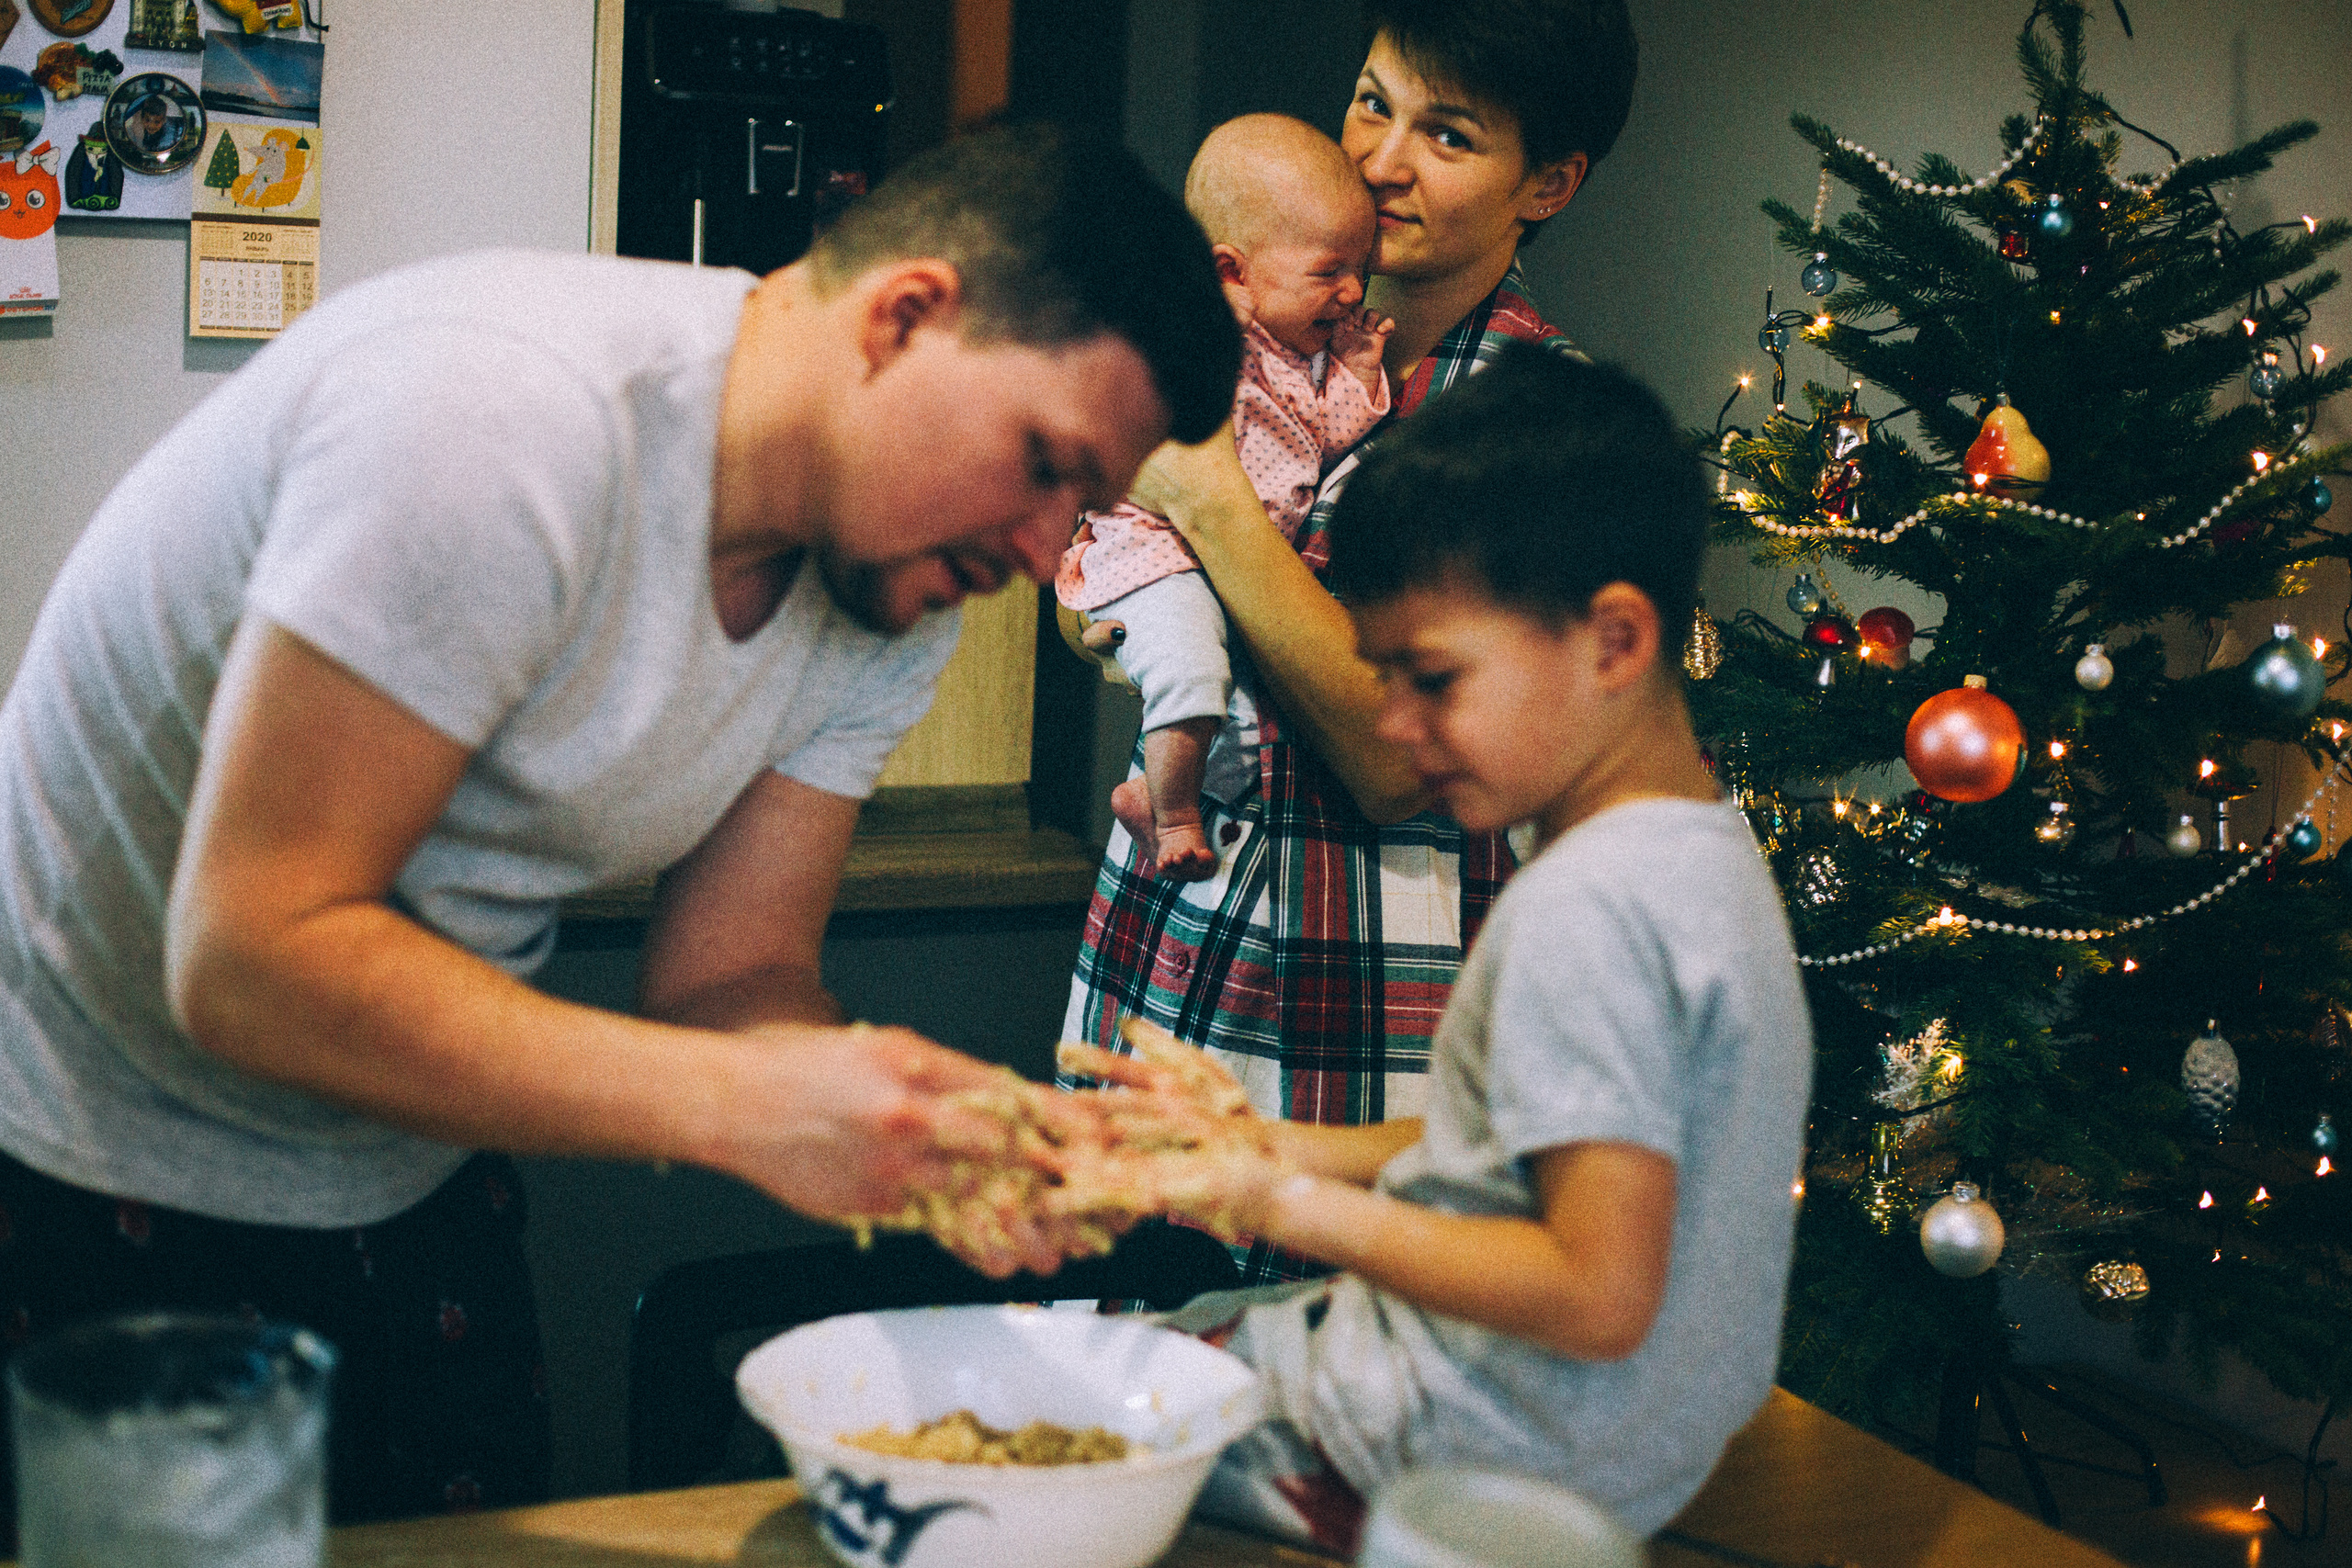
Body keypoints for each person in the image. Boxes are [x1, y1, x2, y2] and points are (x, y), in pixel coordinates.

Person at [0, 122, 1238, 1528]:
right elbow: (247, 958)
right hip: (80, 1146)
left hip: (420, 1147)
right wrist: (752, 1107)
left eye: (1084, 504)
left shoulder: (889, 589)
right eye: (1043, 463)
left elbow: (729, 975)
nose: (1040, 552)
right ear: (903, 316)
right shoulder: (500, 420)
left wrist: (906, 1125)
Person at [1093, 345, 1813, 1553]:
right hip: (1626, 1447)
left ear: (1617, 640)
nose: (1392, 722)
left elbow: (1593, 1289)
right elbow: (1530, 1141)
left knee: (1076, 1382)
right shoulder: (1701, 851)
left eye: (1432, 677)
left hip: (1446, 1442)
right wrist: (1273, 1140)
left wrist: (1274, 1195)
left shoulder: (1587, 910)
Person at [1062, 0, 1637, 1283]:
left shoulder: (1535, 422)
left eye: (1447, 134)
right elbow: (1091, 566)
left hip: (1347, 1011)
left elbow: (1398, 756)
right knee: (1122, 1382)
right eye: (1373, 101)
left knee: (1312, 1412)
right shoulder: (1244, 331)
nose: (1380, 161)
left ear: (1547, 181)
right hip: (1162, 954)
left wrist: (1205, 499)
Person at [1057, 114, 1391, 883]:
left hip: (1211, 564)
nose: (1351, 291)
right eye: (1329, 271)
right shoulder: (1202, 328)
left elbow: (1328, 433)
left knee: (1203, 683)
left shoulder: (1307, 357)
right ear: (1231, 272)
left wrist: (1364, 374)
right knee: (1191, 670)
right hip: (1159, 552)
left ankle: (1168, 793)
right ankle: (1168, 810)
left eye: (1359, 272)